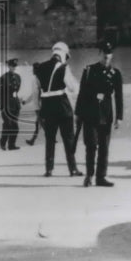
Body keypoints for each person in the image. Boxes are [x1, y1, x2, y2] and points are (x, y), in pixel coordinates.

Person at [75, 42, 123, 187]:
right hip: (90, 114)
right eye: (104, 53)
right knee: (91, 146)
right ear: (100, 54)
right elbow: (82, 93)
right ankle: (89, 175)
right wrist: (78, 113)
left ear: (112, 55)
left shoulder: (116, 74)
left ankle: (101, 177)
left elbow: (119, 96)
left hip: (106, 114)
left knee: (104, 147)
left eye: (109, 54)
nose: (107, 56)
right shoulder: (89, 70)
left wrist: (119, 117)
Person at [32, 41, 82, 177]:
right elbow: (74, 88)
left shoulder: (39, 69)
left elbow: (35, 93)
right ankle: (73, 169)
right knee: (68, 139)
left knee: (50, 139)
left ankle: (49, 169)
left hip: (47, 108)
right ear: (63, 54)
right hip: (62, 106)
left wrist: (38, 112)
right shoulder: (64, 67)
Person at [0, 58, 22, 150]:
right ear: (8, 66)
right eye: (12, 66)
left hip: (15, 104)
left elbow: (16, 90)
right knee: (8, 125)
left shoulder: (18, 77)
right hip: (6, 105)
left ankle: (11, 145)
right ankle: (2, 142)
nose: (13, 68)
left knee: (15, 126)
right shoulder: (3, 78)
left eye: (15, 66)